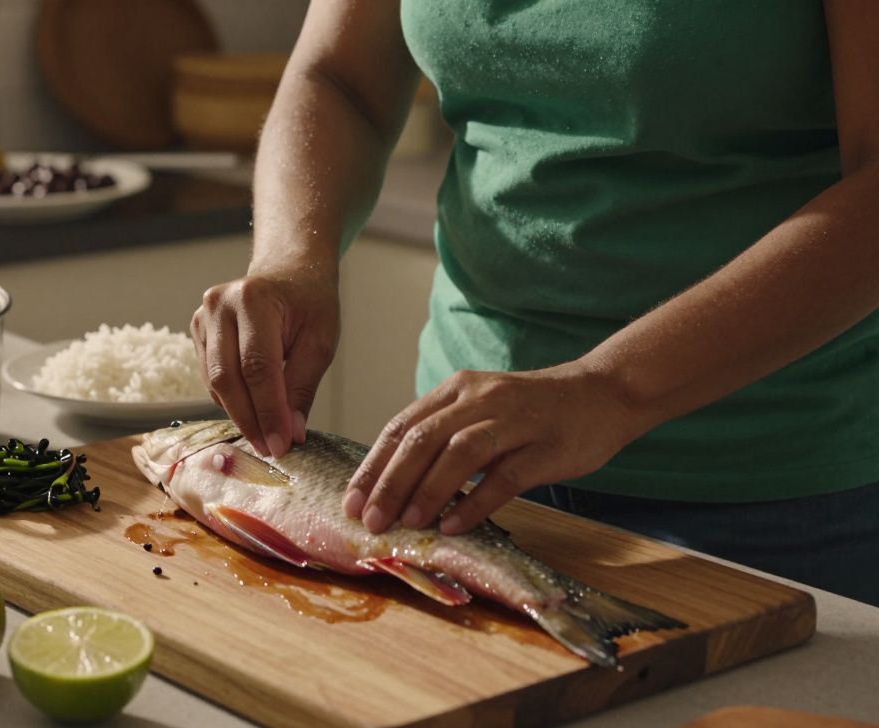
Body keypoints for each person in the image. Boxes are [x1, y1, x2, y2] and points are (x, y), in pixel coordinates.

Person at [189, 0, 879, 606]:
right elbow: (340, 79)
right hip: (462, 473)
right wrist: (292, 257)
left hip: (771, 495)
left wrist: (609, 389)